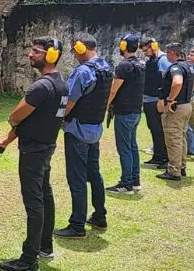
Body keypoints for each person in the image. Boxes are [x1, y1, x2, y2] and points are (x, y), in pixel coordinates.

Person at [0, 37, 68, 271]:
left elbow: (16, 116)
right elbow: (31, 120)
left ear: (51, 55)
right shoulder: (61, 85)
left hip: (33, 151)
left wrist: (12, 120)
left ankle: (29, 258)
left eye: (36, 51)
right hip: (46, 147)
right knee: (45, 196)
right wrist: (6, 141)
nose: (30, 55)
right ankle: (45, 246)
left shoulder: (40, 87)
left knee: (34, 202)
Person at [53, 34, 112, 240]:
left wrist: (57, 121)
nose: (74, 54)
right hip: (94, 130)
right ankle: (100, 216)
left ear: (81, 47)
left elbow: (69, 103)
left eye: (74, 50)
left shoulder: (82, 72)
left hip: (77, 130)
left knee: (77, 178)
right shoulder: (105, 67)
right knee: (94, 174)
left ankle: (77, 225)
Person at [107, 34, 145, 195]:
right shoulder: (141, 64)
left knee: (124, 149)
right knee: (132, 146)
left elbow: (113, 89)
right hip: (135, 111)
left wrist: (105, 105)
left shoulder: (124, 66)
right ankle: (135, 181)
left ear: (123, 46)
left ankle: (126, 184)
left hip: (124, 112)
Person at [157, 43, 194, 181]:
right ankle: (181, 166)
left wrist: (170, 99)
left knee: (173, 139)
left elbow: (177, 82)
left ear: (172, 53)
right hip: (186, 105)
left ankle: (174, 170)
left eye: (168, 52)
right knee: (181, 137)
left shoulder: (176, 67)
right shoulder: (188, 66)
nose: (166, 55)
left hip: (176, 107)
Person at [140, 37, 170, 168]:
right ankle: (157, 156)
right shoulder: (151, 60)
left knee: (159, 130)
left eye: (146, 50)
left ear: (153, 46)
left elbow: (166, 80)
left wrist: (162, 99)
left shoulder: (163, 60)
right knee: (154, 129)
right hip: (149, 99)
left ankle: (163, 157)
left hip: (156, 100)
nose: (145, 53)